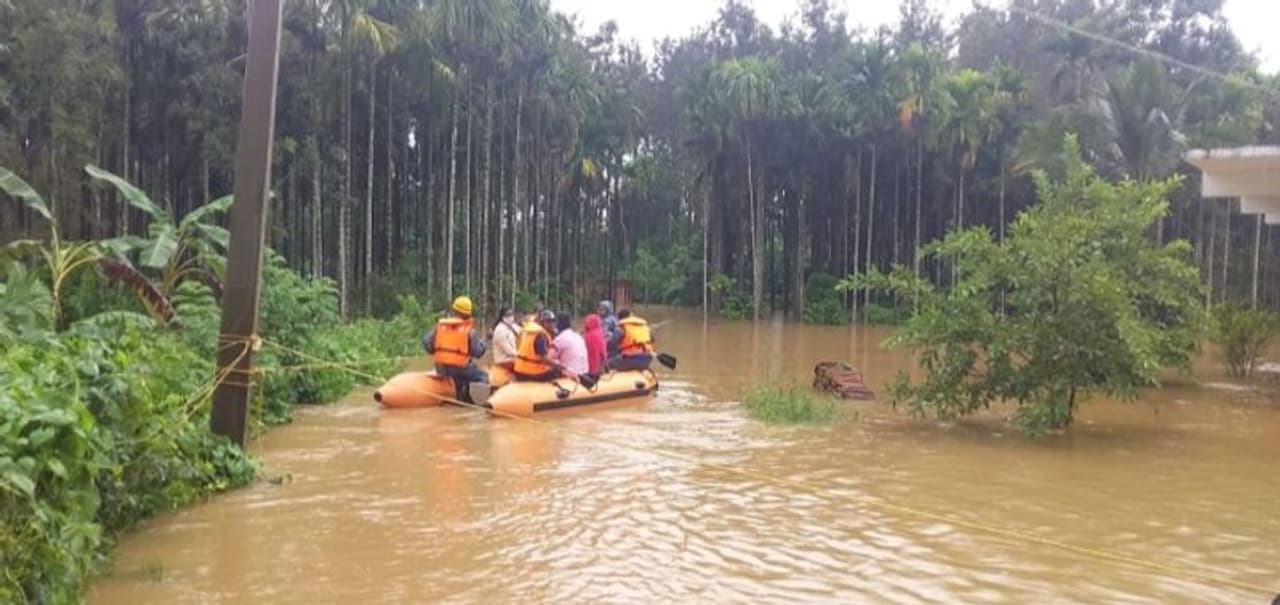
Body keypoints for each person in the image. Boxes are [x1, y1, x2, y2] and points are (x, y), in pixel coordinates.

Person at [422, 296, 488, 400]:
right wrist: (484, 342)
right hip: (460, 370)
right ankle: (470, 399)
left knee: (465, 373)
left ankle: (457, 391)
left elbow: (427, 344)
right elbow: (478, 352)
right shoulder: (469, 331)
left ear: (454, 310)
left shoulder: (439, 327)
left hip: (441, 369)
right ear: (468, 314)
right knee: (482, 376)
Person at [513, 310, 561, 382]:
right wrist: (556, 364)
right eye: (550, 322)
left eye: (553, 321)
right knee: (557, 371)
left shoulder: (527, 330)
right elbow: (543, 358)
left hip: (519, 369)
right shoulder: (540, 335)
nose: (552, 325)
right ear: (544, 322)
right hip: (532, 373)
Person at [551, 313, 589, 377]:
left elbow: (549, 358)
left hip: (570, 376)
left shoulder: (560, 339)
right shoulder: (578, 336)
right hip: (585, 374)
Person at [490, 306, 519, 370]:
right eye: (508, 314)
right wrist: (521, 355)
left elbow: (522, 332)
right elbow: (508, 351)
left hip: (513, 359)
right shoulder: (500, 330)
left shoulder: (512, 326)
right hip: (503, 361)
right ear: (503, 317)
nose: (511, 316)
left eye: (512, 314)